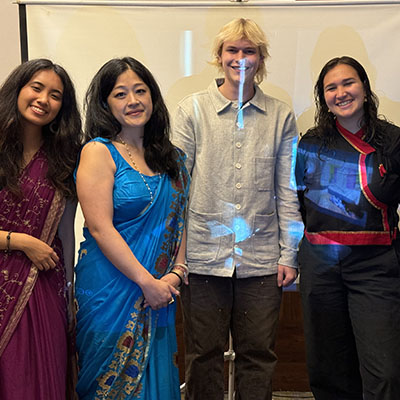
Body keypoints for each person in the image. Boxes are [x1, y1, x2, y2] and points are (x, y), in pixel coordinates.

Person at [172, 18, 303, 400]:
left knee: (258, 357)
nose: (240, 58)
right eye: (233, 50)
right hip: (201, 257)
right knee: (203, 355)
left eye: (249, 51)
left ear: (261, 58)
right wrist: (177, 258)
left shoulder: (281, 116)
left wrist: (290, 254)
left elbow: (288, 190)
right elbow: (177, 191)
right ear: (219, 56)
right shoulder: (190, 111)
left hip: (262, 261)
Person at [74, 57, 190, 399]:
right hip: (110, 290)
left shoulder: (173, 158)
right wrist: (146, 282)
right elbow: (99, 227)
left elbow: (180, 219)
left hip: (160, 288)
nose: (133, 101)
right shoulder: (98, 152)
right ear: (106, 104)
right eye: (120, 94)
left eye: (140, 91)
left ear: (153, 97)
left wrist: (177, 272)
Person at [295, 56, 400, 400]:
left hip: (377, 266)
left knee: (383, 371)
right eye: (331, 87)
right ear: (323, 97)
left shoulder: (393, 141)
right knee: (328, 369)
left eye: (348, 83)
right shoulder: (310, 143)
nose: (341, 93)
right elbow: (295, 205)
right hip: (320, 266)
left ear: (365, 88)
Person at [0, 59, 82, 399]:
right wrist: (18, 241)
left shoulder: (66, 158)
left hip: (45, 285)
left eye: (56, 95)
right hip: (11, 273)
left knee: (38, 381)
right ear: (18, 89)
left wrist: (73, 289)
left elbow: (69, 229)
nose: (44, 99)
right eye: (37, 88)